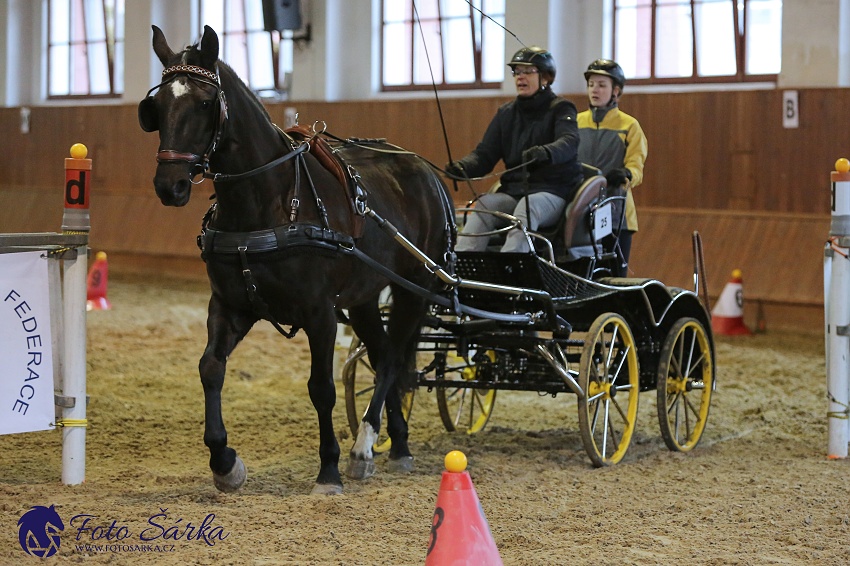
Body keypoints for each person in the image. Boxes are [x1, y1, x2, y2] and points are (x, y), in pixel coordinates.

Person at [446, 46, 584, 253]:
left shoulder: (561, 108)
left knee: (527, 208)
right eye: (517, 72)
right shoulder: (506, 113)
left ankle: (510, 265)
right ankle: (462, 265)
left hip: (552, 191)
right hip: (514, 192)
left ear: (545, 78)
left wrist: (546, 152)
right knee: (484, 204)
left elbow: (569, 141)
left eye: (528, 72)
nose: (520, 77)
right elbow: (485, 154)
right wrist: (463, 167)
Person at [577, 59, 648, 276]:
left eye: (601, 85)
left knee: (614, 277)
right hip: (581, 212)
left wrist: (627, 173)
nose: (594, 90)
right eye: (591, 85)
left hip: (617, 214)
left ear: (615, 91)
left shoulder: (629, 126)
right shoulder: (576, 123)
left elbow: (636, 166)